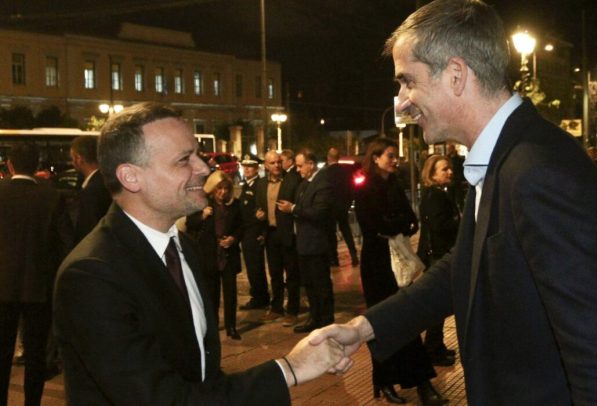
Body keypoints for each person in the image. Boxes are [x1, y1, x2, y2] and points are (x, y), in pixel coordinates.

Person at [314, 1, 597, 404]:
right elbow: (464, 266)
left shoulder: (538, 173)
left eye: (408, 82)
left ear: (456, 75)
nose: (401, 102)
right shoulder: (504, 158)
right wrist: (363, 328)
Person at [53, 103, 344, 404]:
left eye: (198, 155)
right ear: (130, 177)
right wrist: (289, 369)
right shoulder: (91, 275)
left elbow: (202, 372)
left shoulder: (183, 248)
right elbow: (163, 399)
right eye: (184, 160)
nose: (204, 169)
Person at [352, 138, 446, 405]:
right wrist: (396, 224)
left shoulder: (394, 184)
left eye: (395, 156)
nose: (395, 160)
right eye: (390, 155)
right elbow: (373, 226)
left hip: (397, 261)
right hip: (376, 263)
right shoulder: (365, 187)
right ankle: (394, 381)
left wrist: (395, 224)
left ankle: (413, 382)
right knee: (381, 322)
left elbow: (411, 221)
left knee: (405, 320)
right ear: (376, 157)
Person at [0, 143, 63, 406]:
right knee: (36, 354)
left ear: (10, 164)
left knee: (2, 351)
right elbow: (62, 243)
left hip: (2, 285)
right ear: (36, 165)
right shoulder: (51, 196)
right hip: (39, 285)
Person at [277, 149, 335, 333]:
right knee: (309, 284)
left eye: (301, 166)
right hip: (303, 243)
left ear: (311, 164)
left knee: (321, 284)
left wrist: (293, 208)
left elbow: (319, 212)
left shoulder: (323, 183)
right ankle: (314, 318)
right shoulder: (304, 184)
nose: (298, 169)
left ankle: (325, 320)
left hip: (316, 243)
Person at [186, 171, 243, 340]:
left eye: (226, 189)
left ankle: (231, 326)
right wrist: (202, 216)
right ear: (212, 188)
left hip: (228, 254)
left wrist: (233, 239)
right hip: (209, 254)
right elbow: (190, 223)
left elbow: (241, 226)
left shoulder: (235, 204)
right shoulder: (202, 203)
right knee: (212, 293)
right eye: (219, 188)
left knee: (230, 292)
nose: (223, 192)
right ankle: (213, 324)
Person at [416, 154, 460, 367]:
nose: (450, 172)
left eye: (450, 168)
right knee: (438, 305)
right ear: (432, 174)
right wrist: (458, 221)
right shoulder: (436, 197)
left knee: (438, 304)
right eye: (444, 169)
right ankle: (433, 349)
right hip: (439, 254)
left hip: (435, 253)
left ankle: (436, 346)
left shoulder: (435, 194)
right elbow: (439, 226)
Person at [255, 150, 301, 326]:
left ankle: (293, 310)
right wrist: (259, 214)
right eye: (272, 163)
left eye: (278, 162)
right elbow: (259, 205)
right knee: (275, 273)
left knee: (292, 273)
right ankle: (276, 308)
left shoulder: (292, 181)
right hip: (270, 233)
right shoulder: (261, 184)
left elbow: (298, 205)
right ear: (266, 165)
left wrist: (291, 209)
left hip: (287, 233)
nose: (276, 165)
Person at [238, 155, 270, 310]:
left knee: (255, 266)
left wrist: (263, 232)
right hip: (247, 231)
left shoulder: (259, 185)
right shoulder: (247, 184)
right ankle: (258, 294)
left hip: (254, 231)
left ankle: (260, 296)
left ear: (257, 168)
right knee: (251, 266)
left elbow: (263, 209)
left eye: (250, 166)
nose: (247, 169)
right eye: (244, 166)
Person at [69, 135, 112, 244]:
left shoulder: (91, 191)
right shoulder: (107, 181)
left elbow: (87, 230)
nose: (72, 163)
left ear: (79, 159)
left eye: (72, 158)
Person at [324, 147, 359, 267]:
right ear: (338, 158)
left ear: (328, 157)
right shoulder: (345, 172)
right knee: (346, 230)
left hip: (330, 207)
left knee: (331, 233)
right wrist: (347, 203)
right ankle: (353, 255)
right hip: (343, 206)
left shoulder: (326, 173)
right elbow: (351, 188)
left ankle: (334, 258)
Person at [445, 143, 466, 211]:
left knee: (459, 198)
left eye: (450, 149)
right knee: (451, 198)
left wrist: (461, 178)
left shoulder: (459, 159)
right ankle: (454, 210)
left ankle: (461, 210)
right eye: (449, 149)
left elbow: (462, 169)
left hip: (457, 181)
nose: (449, 150)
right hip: (450, 182)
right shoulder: (447, 159)